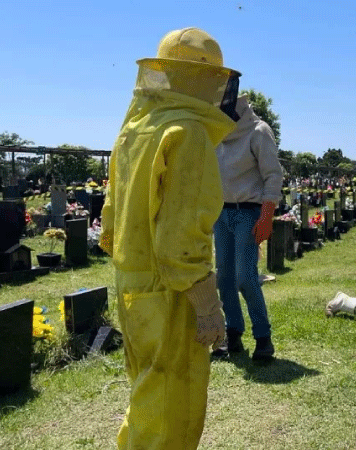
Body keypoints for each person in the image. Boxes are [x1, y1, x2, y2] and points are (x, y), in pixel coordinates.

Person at [99, 27, 240, 450]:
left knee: (147, 397)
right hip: (170, 291)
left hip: (132, 286)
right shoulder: (187, 132)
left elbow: (110, 218)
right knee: (170, 414)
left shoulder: (134, 130)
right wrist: (206, 304)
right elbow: (180, 238)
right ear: (204, 79)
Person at [211, 94, 283, 359]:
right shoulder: (217, 135)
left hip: (248, 213)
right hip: (222, 213)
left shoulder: (259, 132)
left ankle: (263, 338)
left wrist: (267, 216)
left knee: (245, 278)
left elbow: (273, 176)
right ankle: (233, 335)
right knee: (224, 278)